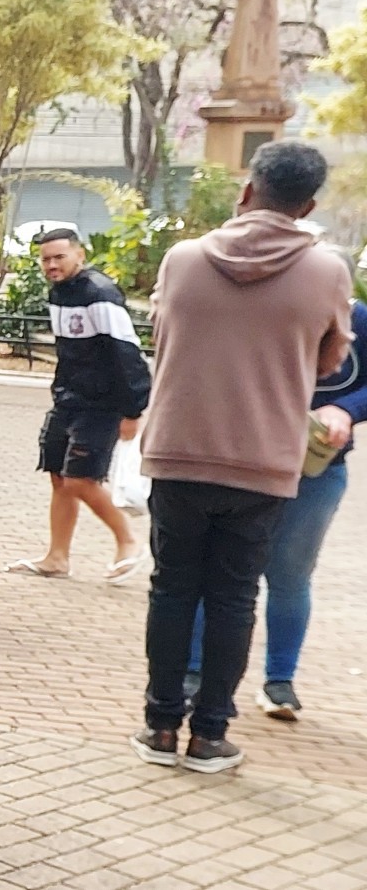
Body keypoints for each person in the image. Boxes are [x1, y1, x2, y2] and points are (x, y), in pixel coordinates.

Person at [132, 139, 352, 774]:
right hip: (265, 459)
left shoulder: (182, 259)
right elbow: (329, 359)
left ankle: (159, 727)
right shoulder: (328, 271)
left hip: (178, 452)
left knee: (171, 590)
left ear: (247, 190)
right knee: (234, 597)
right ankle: (210, 737)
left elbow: (163, 336)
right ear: (309, 204)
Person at [183, 285, 367, 723]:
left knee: (290, 574)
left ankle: (280, 680)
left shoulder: (359, 320)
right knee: (220, 567)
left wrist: (346, 409)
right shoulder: (265, 310)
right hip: (247, 460)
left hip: (317, 469)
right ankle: (193, 671)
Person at [7, 227, 151, 580]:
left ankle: (128, 540)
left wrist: (134, 408)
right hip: (68, 399)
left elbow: (126, 351)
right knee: (58, 475)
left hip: (102, 404)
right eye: (46, 259)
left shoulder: (99, 294)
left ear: (79, 255)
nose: (52, 265)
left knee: (80, 480)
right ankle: (57, 557)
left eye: (59, 257)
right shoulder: (59, 294)